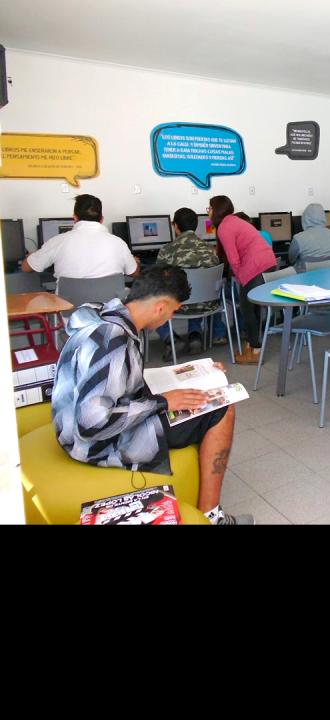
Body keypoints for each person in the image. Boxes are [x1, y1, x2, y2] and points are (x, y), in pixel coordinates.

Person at [50, 265, 252, 525]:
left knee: (198, 392)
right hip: (92, 444)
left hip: (70, 427)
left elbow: (117, 376)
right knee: (222, 408)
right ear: (160, 307)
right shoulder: (113, 340)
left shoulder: (105, 314)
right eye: (173, 311)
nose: (169, 319)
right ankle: (211, 516)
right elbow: (91, 424)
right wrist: (162, 402)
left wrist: (198, 372)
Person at [209, 195, 276, 363]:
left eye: (210, 208)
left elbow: (233, 259)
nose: (208, 211)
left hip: (254, 266)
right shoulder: (235, 221)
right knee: (255, 308)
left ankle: (254, 352)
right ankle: (253, 346)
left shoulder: (224, 227)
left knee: (247, 309)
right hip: (268, 261)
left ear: (216, 210)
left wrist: (240, 278)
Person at [154, 207, 228, 360]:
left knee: (150, 295)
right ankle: (195, 335)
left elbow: (157, 278)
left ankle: (171, 338)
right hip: (208, 304)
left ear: (175, 226)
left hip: (180, 306)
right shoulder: (211, 250)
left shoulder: (167, 250)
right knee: (196, 290)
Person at [22, 193, 140, 279]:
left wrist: (34, 257)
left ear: (74, 218)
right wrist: (135, 262)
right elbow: (135, 273)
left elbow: (26, 268)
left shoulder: (58, 241)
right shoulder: (118, 243)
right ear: (102, 219)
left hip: (68, 306)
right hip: (109, 306)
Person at [289, 202, 330, 271]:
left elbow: (291, 260)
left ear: (305, 218)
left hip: (305, 275)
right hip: (329, 272)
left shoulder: (298, 238)